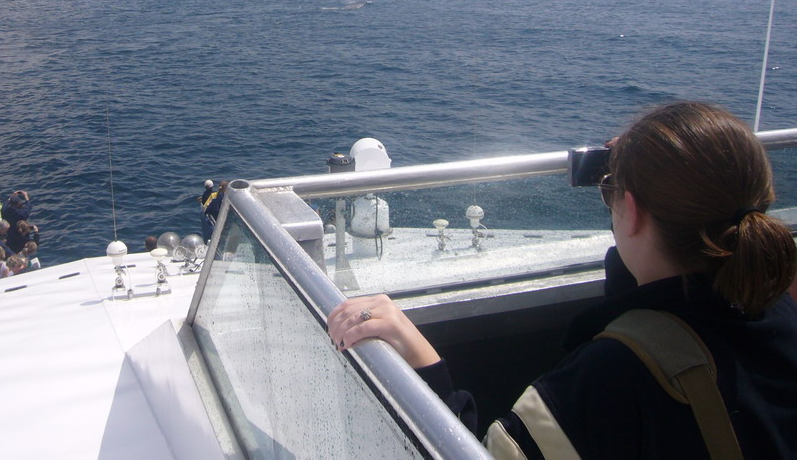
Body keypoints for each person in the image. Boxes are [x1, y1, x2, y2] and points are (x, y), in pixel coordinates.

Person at [328, 102, 797, 459]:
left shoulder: (606, 379)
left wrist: (422, 362)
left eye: (610, 191)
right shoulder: (776, 311)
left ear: (630, 212)